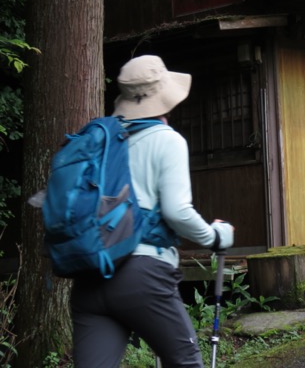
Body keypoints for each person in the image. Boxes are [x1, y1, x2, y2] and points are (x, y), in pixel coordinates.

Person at [71, 55, 235, 367]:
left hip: (90, 279)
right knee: (185, 362)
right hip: (142, 276)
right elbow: (177, 213)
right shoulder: (166, 140)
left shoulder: (99, 142)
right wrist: (215, 237)